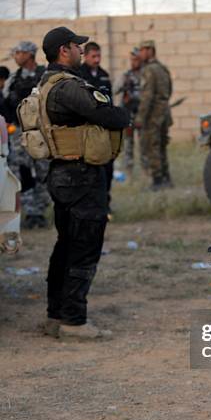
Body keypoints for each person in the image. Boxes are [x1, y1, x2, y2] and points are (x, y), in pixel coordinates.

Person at [40, 26, 129, 340]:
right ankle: (74, 321)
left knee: (65, 246)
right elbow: (110, 116)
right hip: (80, 176)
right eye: (77, 46)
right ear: (65, 50)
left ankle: (56, 314)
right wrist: (124, 113)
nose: (81, 50)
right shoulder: (68, 86)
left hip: (62, 175)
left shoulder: (45, 83)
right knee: (84, 248)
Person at [3, 41, 49, 228]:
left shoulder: (44, 76)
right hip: (18, 134)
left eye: (19, 53)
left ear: (30, 54)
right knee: (22, 171)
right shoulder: (13, 79)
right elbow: (6, 103)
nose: (16, 56)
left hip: (41, 132)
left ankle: (40, 209)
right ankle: (31, 212)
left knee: (43, 172)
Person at [79, 41, 114, 213]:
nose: (97, 59)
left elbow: (110, 101)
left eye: (99, 56)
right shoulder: (79, 75)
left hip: (103, 127)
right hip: (86, 128)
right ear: (85, 56)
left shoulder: (104, 75)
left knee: (107, 166)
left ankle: (105, 204)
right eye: (93, 56)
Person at [135, 40, 173, 190]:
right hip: (164, 112)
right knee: (162, 146)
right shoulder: (163, 68)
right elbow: (169, 91)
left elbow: (147, 96)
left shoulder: (149, 70)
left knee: (152, 146)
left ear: (150, 50)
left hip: (153, 115)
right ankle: (166, 178)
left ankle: (157, 181)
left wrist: (140, 117)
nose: (141, 53)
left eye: (143, 50)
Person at [117, 47, 142, 178]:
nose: (134, 62)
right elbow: (116, 90)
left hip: (141, 115)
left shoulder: (145, 75)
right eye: (132, 60)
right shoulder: (126, 75)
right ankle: (129, 172)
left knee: (144, 145)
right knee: (128, 145)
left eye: (136, 59)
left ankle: (146, 172)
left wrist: (134, 97)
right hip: (128, 114)